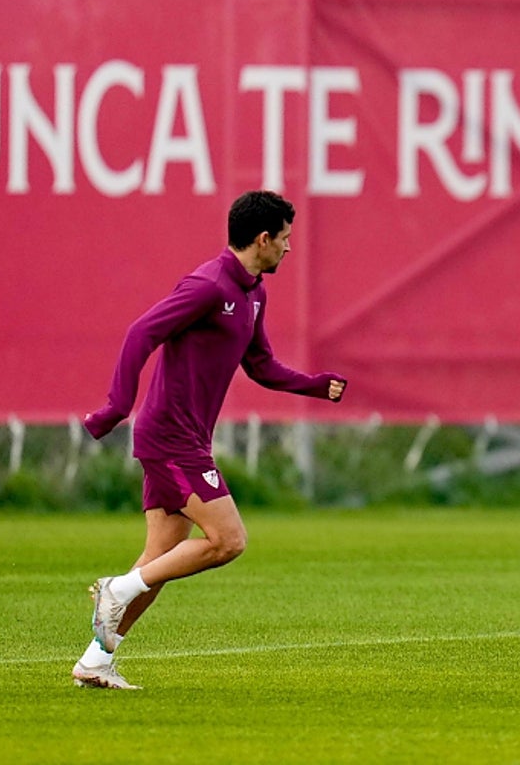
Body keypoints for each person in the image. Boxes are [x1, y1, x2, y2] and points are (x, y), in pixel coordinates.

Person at [72, 190, 347, 689]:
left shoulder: (254, 293)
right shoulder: (207, 285)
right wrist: (116, 405)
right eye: (285, 239)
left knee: (160, 560)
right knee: (228, 540)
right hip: (169, 437)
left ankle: (96, 658)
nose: (289, 248)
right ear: (263, 239)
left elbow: (260, 365)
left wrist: (314, 385)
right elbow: (141, 333)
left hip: (189, 437)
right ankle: (117, 588)